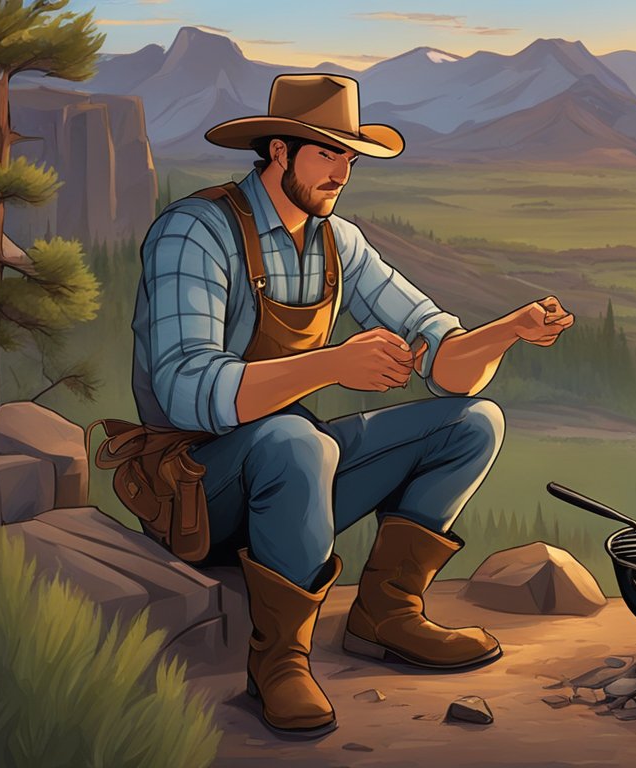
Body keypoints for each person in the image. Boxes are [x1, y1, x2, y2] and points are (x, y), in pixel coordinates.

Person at [129, 73, 573, 736]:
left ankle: (386, 614)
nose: (343, 171)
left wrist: (506, 330)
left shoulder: (339, 243)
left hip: (291, 473)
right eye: (327, 152)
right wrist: (333, 363)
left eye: (349, 156)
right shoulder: (195, 232)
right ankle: (279, 662)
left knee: (472, 424)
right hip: (195, 489)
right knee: (296, 441)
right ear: (279, 152)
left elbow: (447, 367)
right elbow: (186, 390)